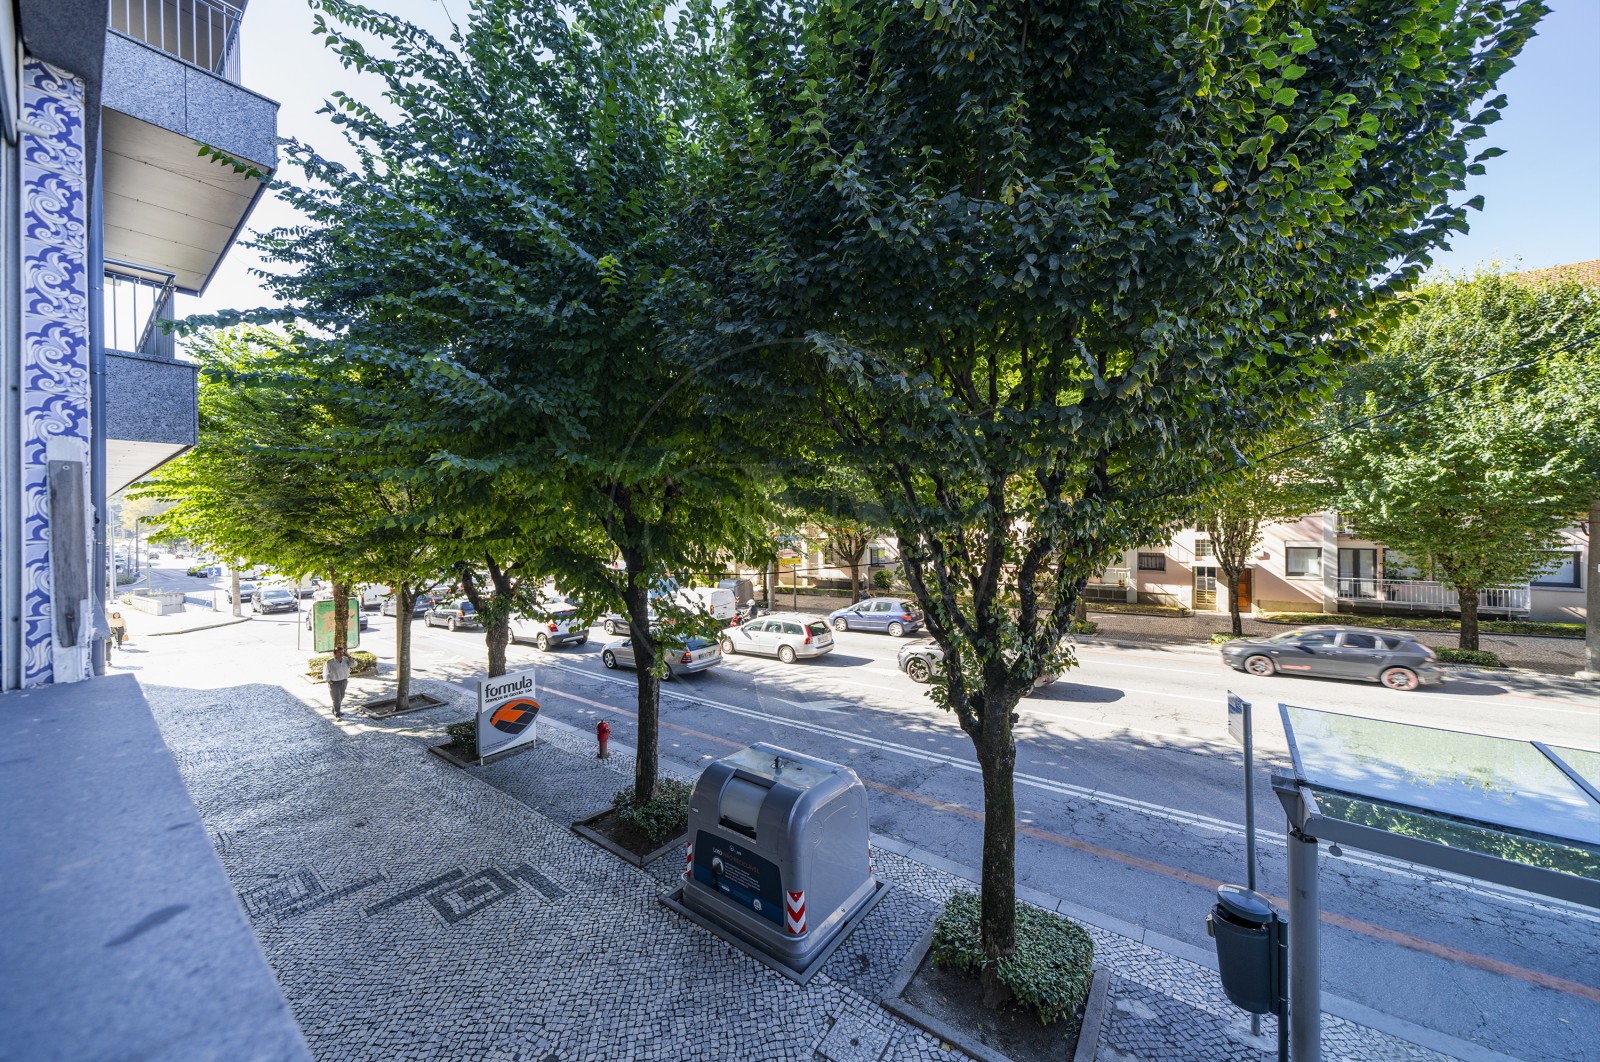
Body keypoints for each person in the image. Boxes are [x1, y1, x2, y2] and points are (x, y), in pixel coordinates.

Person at [322, 646, 352, 719]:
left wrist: (349, 656)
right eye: (339, 652)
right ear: (335, 653)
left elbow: (354, 665)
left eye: (342, 652)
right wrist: (328, 681)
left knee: (341, 696)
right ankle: (337, 713)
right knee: (336, 698)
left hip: (344, 681)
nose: (342, 654)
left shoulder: (346, 660)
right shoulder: (330, 662)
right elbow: (325, 672)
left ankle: (334, 709)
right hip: (334, 682)